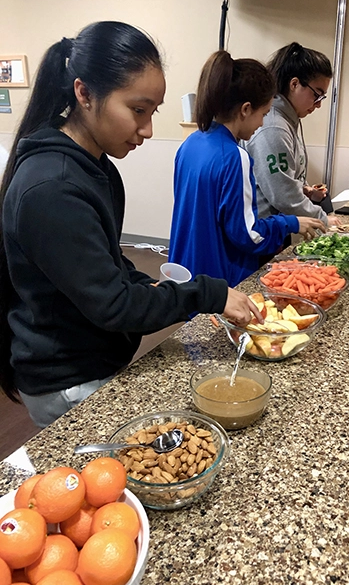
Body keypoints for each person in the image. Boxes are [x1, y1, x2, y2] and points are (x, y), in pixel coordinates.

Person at [0, 21, 264, 428]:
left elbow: (108, 264)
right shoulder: (52, 188)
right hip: (68, 376)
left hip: (97, 354)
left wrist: (147, 286)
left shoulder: (98, 168)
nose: (147, 129)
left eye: (152, 112)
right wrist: (207, 294)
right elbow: (113, 304)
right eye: (137, 110)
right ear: (84, 94)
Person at [168, 50, 325, 288]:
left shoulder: (191, 143)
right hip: (220, 278)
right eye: (263, 114)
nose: (263, 123)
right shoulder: (234, 156)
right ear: (245, 109)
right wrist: (292, 223)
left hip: (188, 273)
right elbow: (248, 235)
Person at [244, 42, 341, 228]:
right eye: (317, 95)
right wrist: (321, 218)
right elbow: (283, 194)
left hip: (275, 226)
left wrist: (305, 190)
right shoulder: (273, 126)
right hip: (262, 231)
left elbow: (285, 179)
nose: (318, 104)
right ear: (294, 84)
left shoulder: (287, 120)